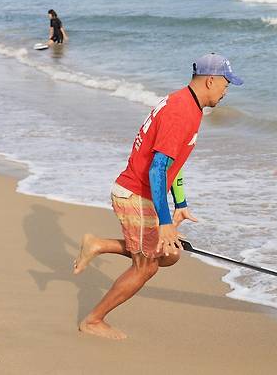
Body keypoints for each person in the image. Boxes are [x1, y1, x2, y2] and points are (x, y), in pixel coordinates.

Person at [72, 53, 242, 340]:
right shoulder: (182, 112)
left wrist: (182, 203)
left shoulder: (188, 104)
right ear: (211, 80)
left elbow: (175, 162)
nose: (226, 91)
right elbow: (157, 168)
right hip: (135, 194)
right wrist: (164, 221)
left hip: (143, 193)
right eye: (226, 84)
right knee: (146, 266)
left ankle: (98, 244)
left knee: (170, 253)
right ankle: (93, 320)